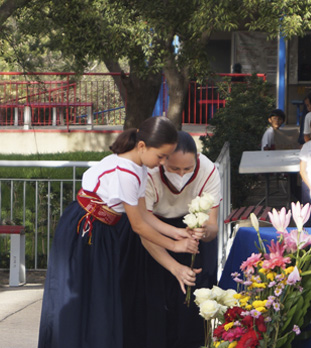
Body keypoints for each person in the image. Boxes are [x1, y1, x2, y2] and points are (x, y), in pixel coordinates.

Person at [38, 117, 199, 348]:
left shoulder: (139, 168)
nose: (162, 162)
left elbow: (145, 215)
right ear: (142, 146)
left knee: (100, 301)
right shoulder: (126, 171)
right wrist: (175, 246)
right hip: (85, 231)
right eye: (161, 156)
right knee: (78, 300)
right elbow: (138, 226)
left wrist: (177, 232)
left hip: (102, 231)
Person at [134, 131, 219, 348]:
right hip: (155, 228)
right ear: (163, 161)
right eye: (174, 169)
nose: (181, 175)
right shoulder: (149, 173)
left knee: (193, 302)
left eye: (187, 169)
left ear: (197, 160)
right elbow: (144, 228)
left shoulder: (209, 170)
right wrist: (174, 266)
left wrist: (203, 231)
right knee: (155, 301)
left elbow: (213, 227)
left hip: (192, 231)